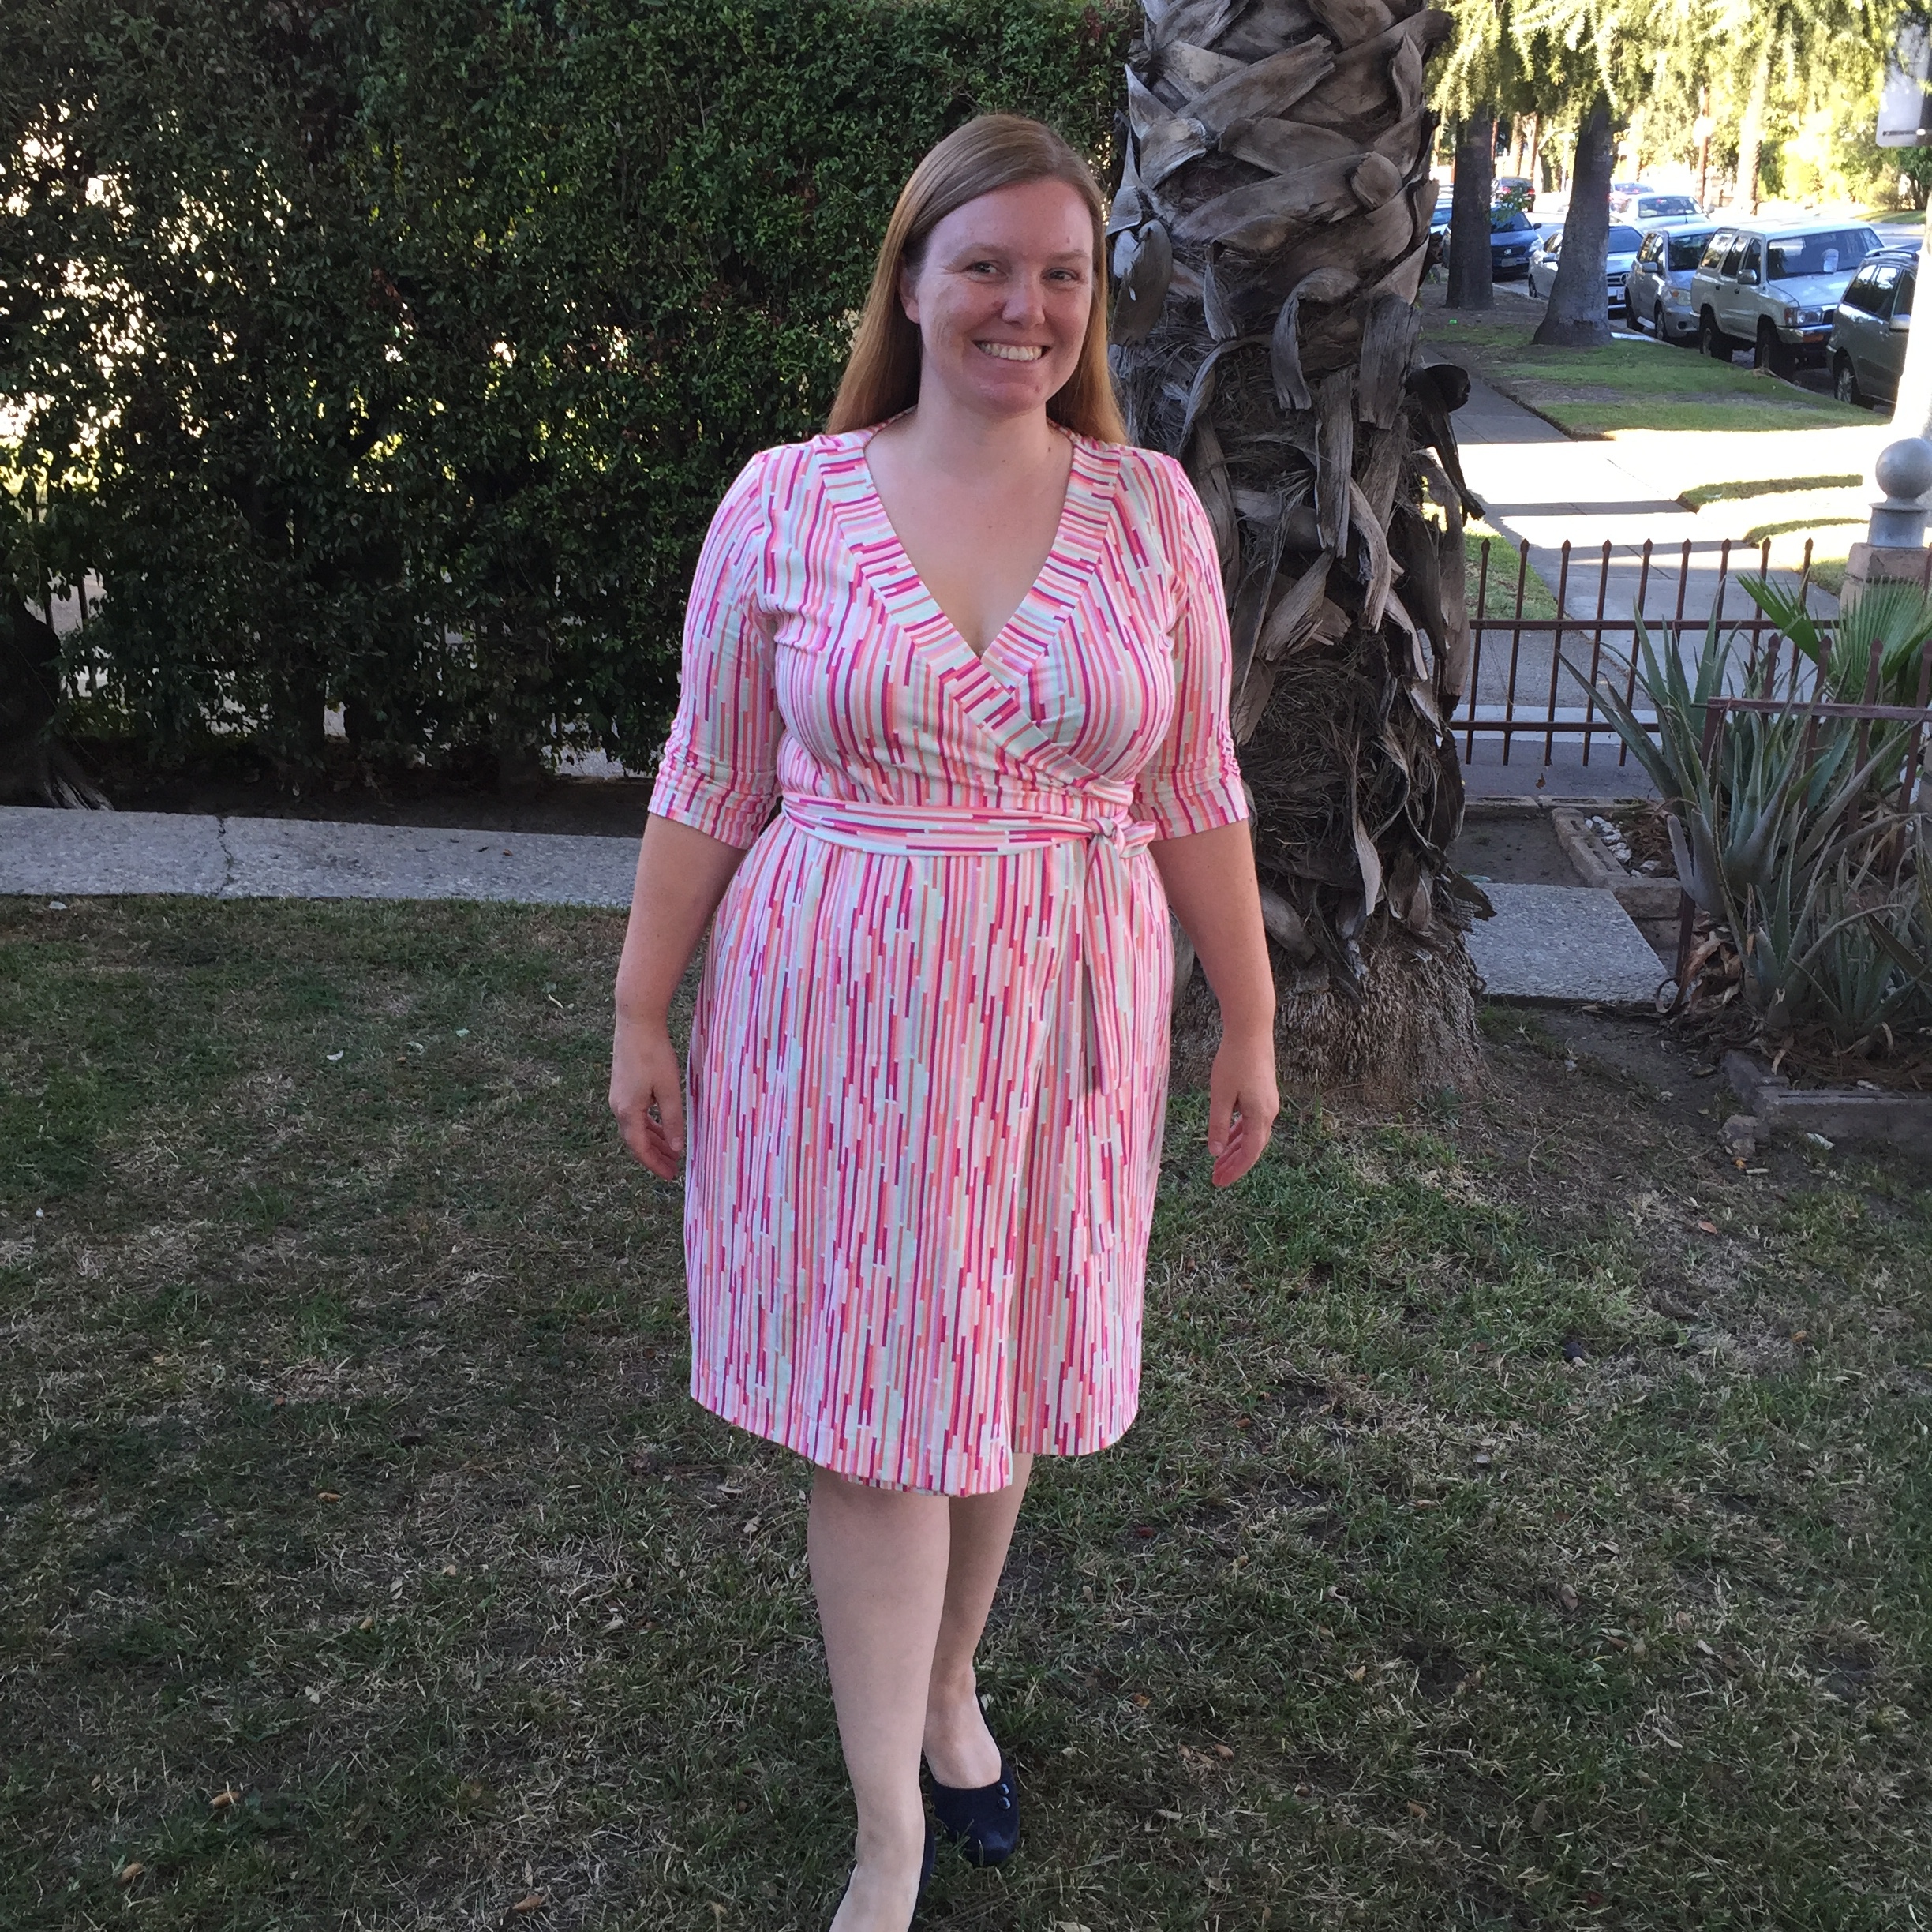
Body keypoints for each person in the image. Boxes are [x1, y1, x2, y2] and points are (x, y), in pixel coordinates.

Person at [609, 114, 1279, 1932]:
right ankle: (886, 1834)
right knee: (872, 1418)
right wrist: (642, 1009)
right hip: (837, 1020)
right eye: (986, 265)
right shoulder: (786, 501)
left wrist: (1247, 1018)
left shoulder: (1148, 514)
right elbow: (712, 773)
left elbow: (1194, 786)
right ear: (910, 281)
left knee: (1001, 1374)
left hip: (1065, 1015)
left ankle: (949, 1684)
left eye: (1063, 273)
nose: (1024, 307)